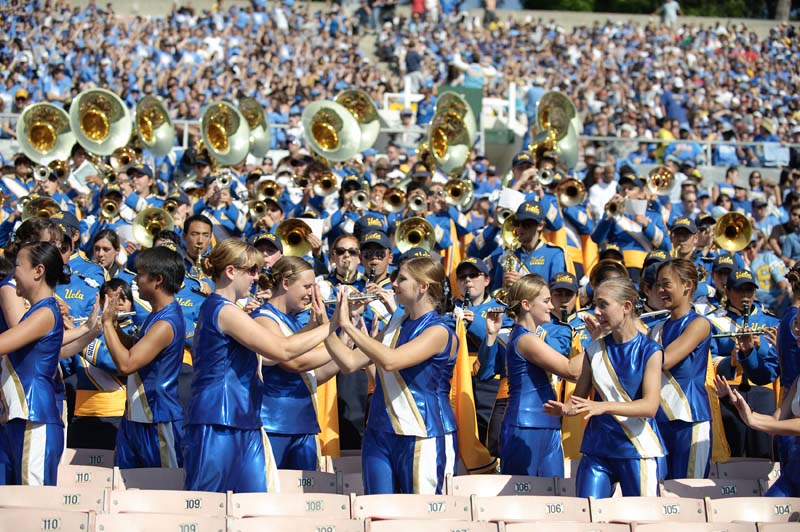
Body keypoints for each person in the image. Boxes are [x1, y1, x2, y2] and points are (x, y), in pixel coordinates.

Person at [183, 239, 332, 493]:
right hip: (218, 419)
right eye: (251, 270)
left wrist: (320, 329)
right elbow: (282, 350)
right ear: (231, 271)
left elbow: (282, 347)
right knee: (209, 508)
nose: (257, 277)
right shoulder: (223, 310)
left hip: (242, 417)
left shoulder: (229, 309)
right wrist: (336, 326)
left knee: (256, 506)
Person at [323, 257, 458, 494]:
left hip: (422, 433)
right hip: (380, 430)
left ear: (423, 286)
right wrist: (326, 324)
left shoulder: (439, 331)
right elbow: (350, 362)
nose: (394, 284)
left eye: (402, 279)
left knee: (421, 516)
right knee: (379, 512)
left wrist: (350, 326)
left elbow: (390, 361)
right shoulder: (396, 323)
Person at [546, 278, 665, 498]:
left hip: (637, 449)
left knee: (642, 521)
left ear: (626, 307)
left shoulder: (651, 350)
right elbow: (579, 400)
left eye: (603, 305)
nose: (596, 312)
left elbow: (650, 407)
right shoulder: (593, 349)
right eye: (594, 305)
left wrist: (604, 407)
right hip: (597, 449)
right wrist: (565, 409)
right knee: (589, 516)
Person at [101, 246, 187, 469]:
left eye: (140, 274)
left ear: (158, 280)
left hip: (157, 419)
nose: (135, 280)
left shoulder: (165, 323)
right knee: (123, 491)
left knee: (162, 493)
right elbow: (132, 349)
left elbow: (127, 363)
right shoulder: (155, 315)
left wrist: (107, 324)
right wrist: (117, 327)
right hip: (135, 417)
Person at [251, 256, 338, 470]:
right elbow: (294, 363)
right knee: (275, 495)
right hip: (273, 423)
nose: (311, 293)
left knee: (306, 497)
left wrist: (347, 338)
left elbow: (316, 374)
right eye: (307, 286)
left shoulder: (292, 319)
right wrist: (333, 325)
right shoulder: (263, 318)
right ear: (285, 283)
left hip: (304, 422)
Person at [496, 274, 581, 477]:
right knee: (524, 499)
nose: (551, 306)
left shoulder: (531, 337)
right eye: (545, 301)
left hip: (545, 423)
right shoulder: (525, 339)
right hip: (525, 424)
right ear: (526, 304)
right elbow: (572, 371)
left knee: (553, 497)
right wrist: (600, 341)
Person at [0, 242, 70, 485]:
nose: (13, 274)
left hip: (35, 416)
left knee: (34, 507)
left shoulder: (46, 312)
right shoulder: (37, 311)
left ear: (38, 271)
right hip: (21, 417)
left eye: (18, 266)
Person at [648, 259, 712, 479]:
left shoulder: (699, 324)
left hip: (690, 418)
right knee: (660, 494)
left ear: (687, 285)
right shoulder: (656, 328)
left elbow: (664, 361)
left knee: (689, 494)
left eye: (666, 284)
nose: (660, 290)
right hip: (659, 420)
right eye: (658, 285)